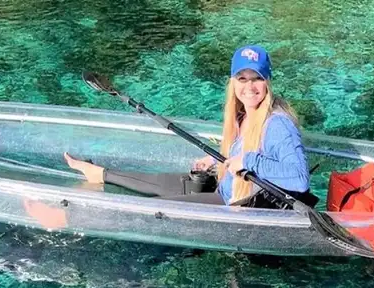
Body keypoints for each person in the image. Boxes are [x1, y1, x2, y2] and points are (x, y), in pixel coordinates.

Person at [60, 45, 313, 208]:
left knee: (159, 208)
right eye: (242, 78)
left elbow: (300, 180)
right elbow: (243, 153)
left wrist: (248, 160)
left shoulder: (278, 123)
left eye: (257, 78)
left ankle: (66, 216)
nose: (250, 86)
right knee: (159, 182)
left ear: (267, 82)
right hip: (227, 188)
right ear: (233, 82)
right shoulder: (243, 114)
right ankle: (100, 174)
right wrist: (215, 161)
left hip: (239, 204)